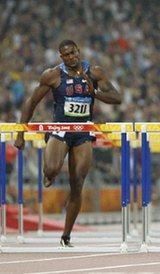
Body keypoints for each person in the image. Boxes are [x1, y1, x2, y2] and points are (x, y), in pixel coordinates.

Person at [14, 40, 122, 247]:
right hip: (61, 128)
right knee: (52, 169)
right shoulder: (52, 75)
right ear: (60, 57)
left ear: (78, 51)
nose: (70, 57)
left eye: (72, 53)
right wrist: (21, 133)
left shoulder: (95, 72)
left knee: (77, 183)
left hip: (84, 132)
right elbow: (31, 102)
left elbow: (116, 98)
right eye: (65, 55)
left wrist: (94, 93)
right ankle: (49, 173)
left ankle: (66, 235)